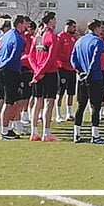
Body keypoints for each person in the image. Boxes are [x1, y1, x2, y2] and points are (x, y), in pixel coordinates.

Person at [70, 19, 104, 144]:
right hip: (94, 78)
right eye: (101, 28)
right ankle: (95, 135)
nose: (102, 30)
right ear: (97, 28)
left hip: (81, 78)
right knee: (95, 106)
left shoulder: (79, 41)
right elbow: (95, 58)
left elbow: (73, 59)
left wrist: (79, 71)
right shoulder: (98, 41)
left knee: (81, 106)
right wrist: (90, 72)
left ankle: (76, 134)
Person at [0, 15, 28, 140]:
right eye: (24, 24)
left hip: (3, 71)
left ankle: (7, 128)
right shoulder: (18, 38)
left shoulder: (5, 35)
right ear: (19, 24)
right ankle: (4, 130)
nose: (26, 26)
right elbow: (14, 56)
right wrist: (3, 65)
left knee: (10, 101)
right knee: (9, 103)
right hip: (10, 72)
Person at [28, 11, 61, 142]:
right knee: (49, 102)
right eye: (54, 19)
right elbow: (51, 58)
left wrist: (37, 72)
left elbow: (31, 56)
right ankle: (46, 133)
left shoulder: (37, 36)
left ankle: (34, 132)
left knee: (37, 102)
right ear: (50, 21)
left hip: (38, 73)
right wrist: (41, 72)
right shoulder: (51, 36)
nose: (56, 22)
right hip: (49, 73)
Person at [54, 19, 78, 122]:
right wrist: (68, 59)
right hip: (62, 68)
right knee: (60, 92)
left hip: (72, 68)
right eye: (73, 27)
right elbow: (58, 53)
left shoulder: (74, 38)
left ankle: (69, 113)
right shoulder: (60, 37)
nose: (75, 29)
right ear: (68, 27)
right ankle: (58, 114)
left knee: (71, 92)